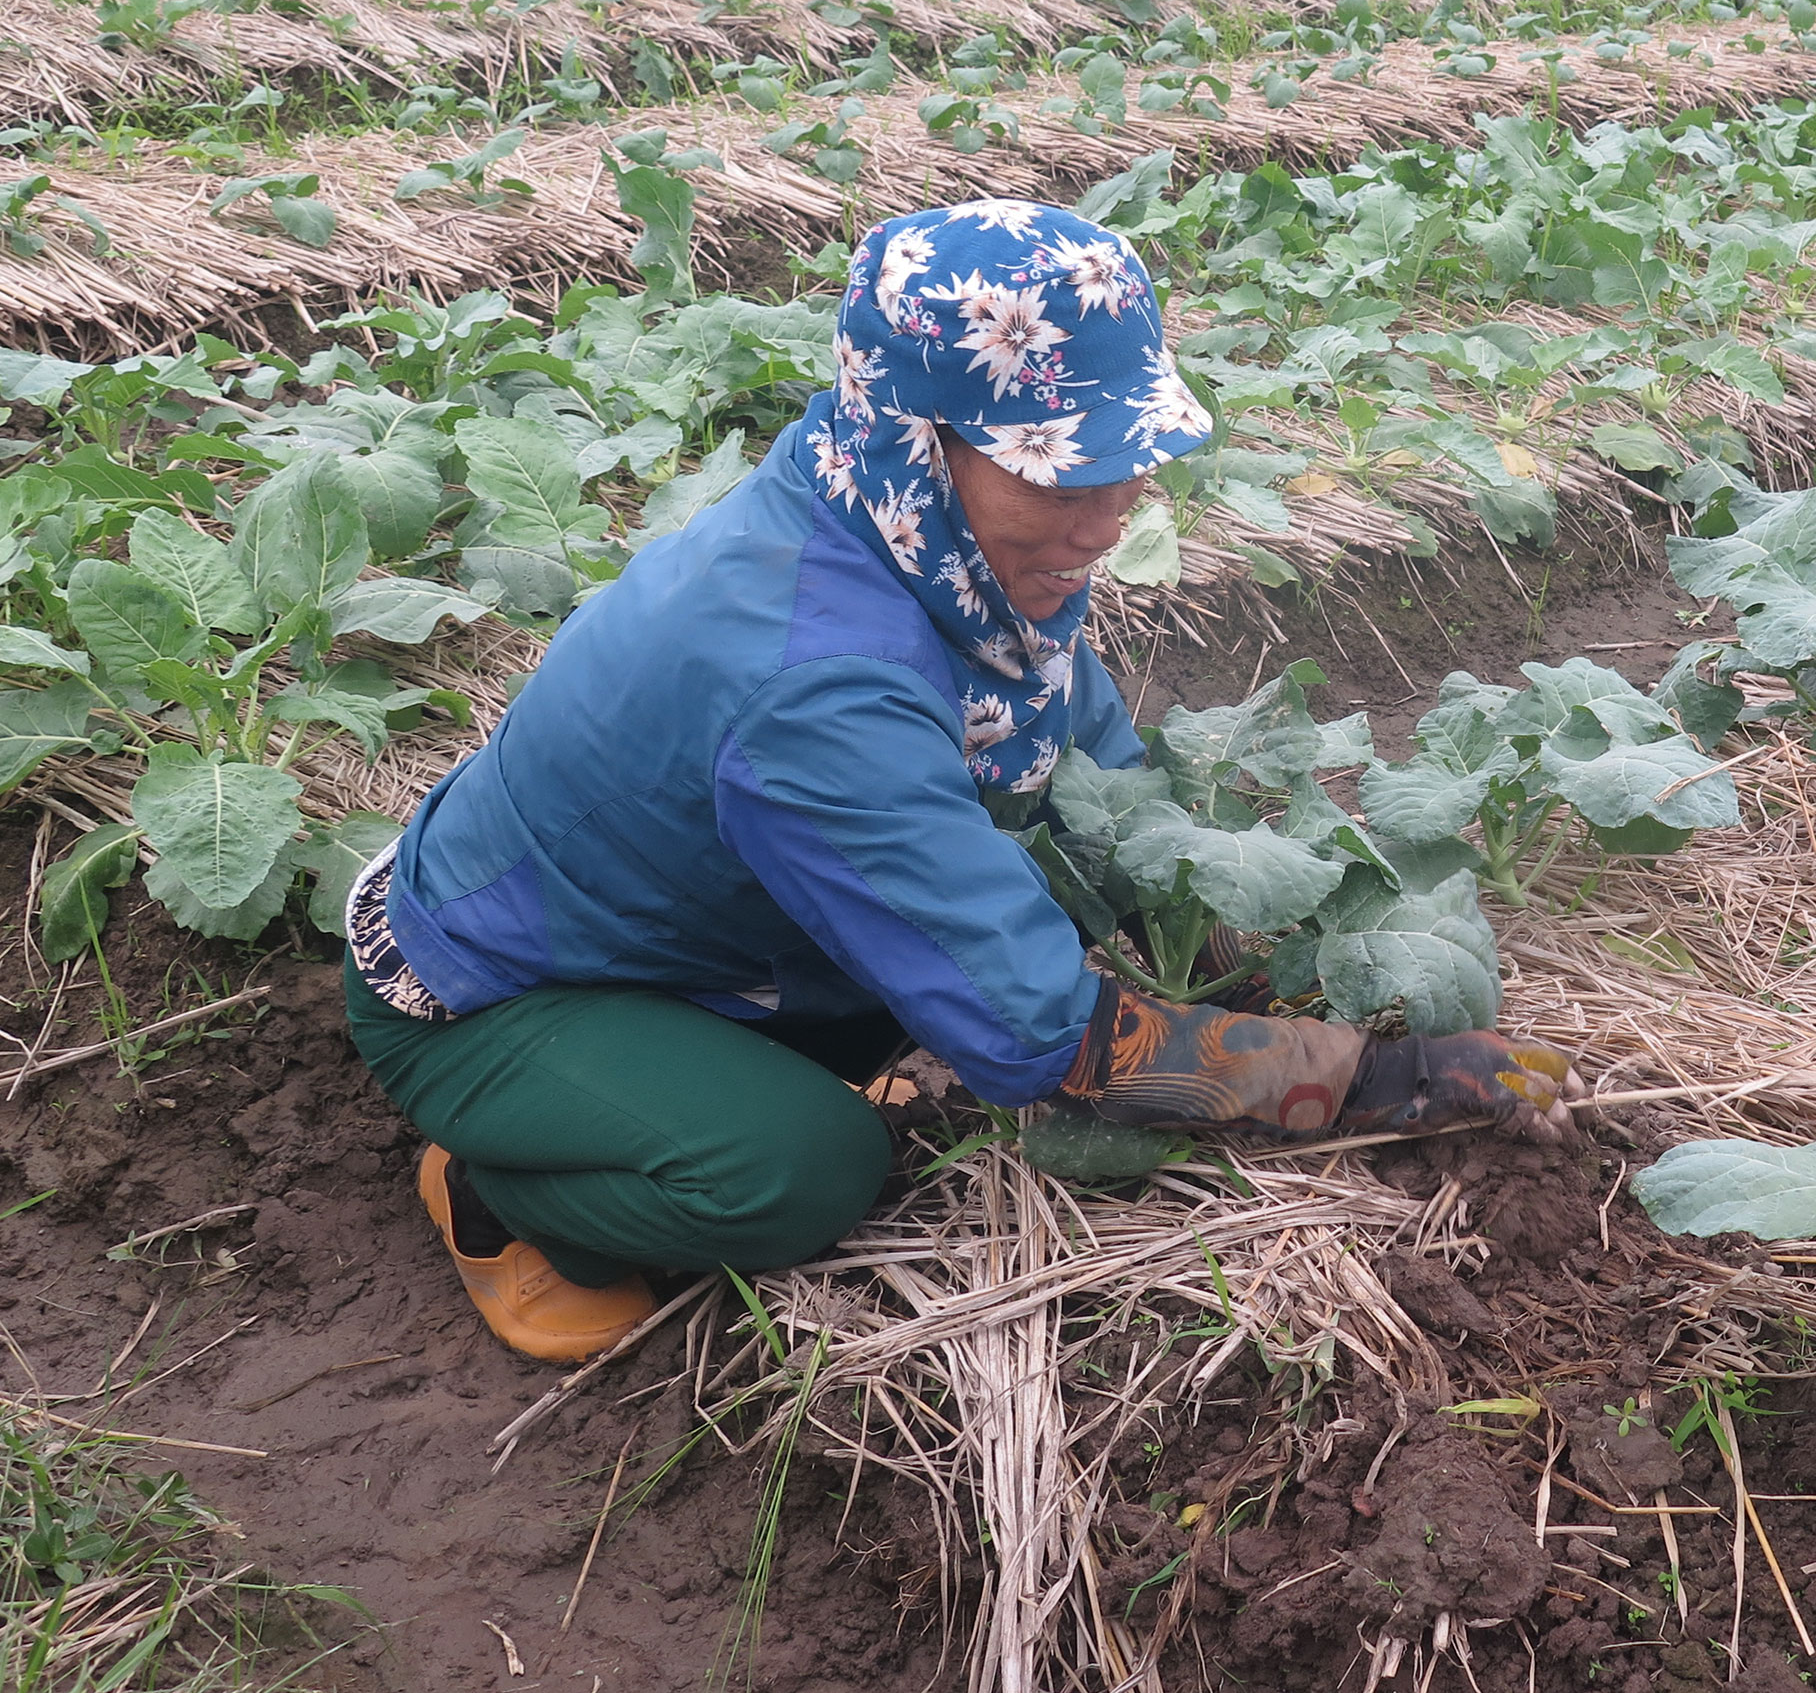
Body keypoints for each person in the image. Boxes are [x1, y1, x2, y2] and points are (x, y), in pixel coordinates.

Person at [342, 200, 1578, 1363]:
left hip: (717, 942)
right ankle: (501, 1190)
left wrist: (1270, 972)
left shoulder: (927, 535)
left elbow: (1112, 801)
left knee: (966, 949)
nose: (1107, 521)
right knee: (801, 1172)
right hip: (506, 991)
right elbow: (1040, 1035)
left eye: (1128, 463)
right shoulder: (817, 682)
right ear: (919, 438)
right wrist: (1373, 1078)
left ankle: (712, 1070)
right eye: (1061, 474)